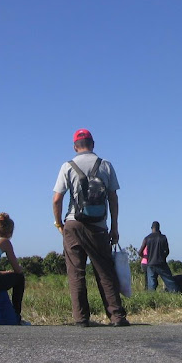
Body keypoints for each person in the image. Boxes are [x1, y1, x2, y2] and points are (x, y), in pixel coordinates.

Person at [52, 129, 129, 327]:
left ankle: (81, 318)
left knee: (76, 272)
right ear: (93, 144)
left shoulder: (67, 166)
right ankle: (116, 316)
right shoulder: (105, 165)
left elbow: (57, 199)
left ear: (75, 146)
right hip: (98, 226)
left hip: (73, 224)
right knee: (105, 271)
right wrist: (114, 227)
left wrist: (58, 222)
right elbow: (113, 197)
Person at [139, 221, 178, 292]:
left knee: (151, 286)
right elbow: (167, 251)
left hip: (150, 264)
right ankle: (176, 295)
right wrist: (163, 257)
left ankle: (151, 300)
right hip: (161, 263)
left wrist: (147, 257)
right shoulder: (163, 237)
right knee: (170, 282)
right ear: (159, 228)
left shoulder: (147, 238)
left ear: (151, 228)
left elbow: (140, 252)